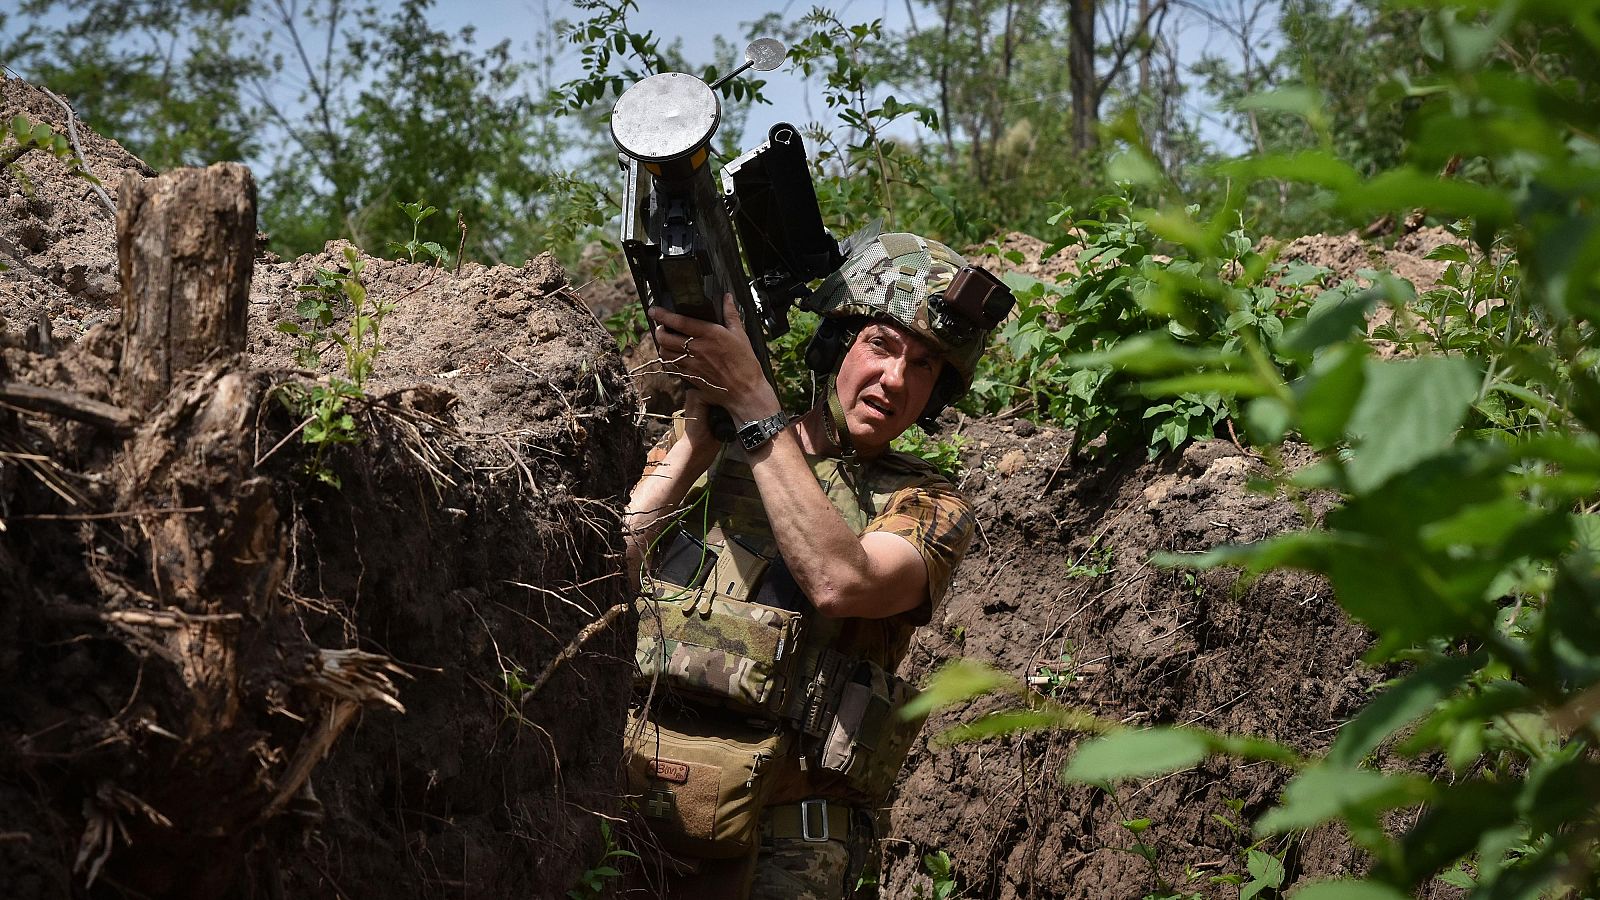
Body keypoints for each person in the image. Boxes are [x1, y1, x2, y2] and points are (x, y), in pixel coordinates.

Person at [622, 232, 1012, 899]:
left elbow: (841, 581)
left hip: (789, 847)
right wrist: (696, 444)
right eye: (881, 345)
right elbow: (604, 573)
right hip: (638, 804)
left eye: (923, 366)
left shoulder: (930, 505)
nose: (896, 380)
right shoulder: (713, 445)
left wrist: (754, 405)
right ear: (836, 345)